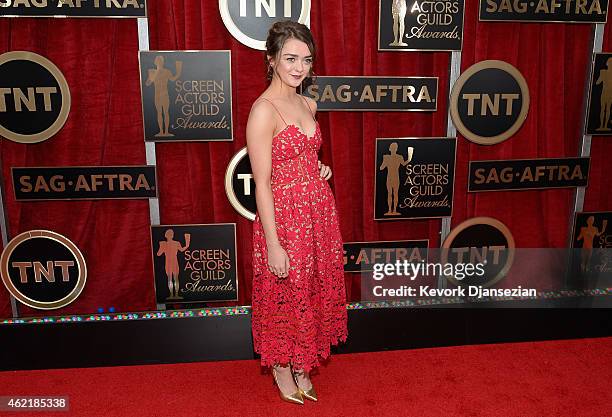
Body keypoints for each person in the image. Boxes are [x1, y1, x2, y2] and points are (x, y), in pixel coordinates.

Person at [247, 20, 348, 405]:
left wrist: (318, 168)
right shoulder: (263, 110)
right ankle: (282, 368)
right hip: (285, 220)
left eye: (306, 60)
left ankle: (302, 362)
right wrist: (273, 244)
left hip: (318, 214)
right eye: (290, 58)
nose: (298, 67)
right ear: (271, 60)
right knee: (285, 292)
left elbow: (305, 156)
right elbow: (262, 183)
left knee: (310, 290)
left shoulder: (309, 103)